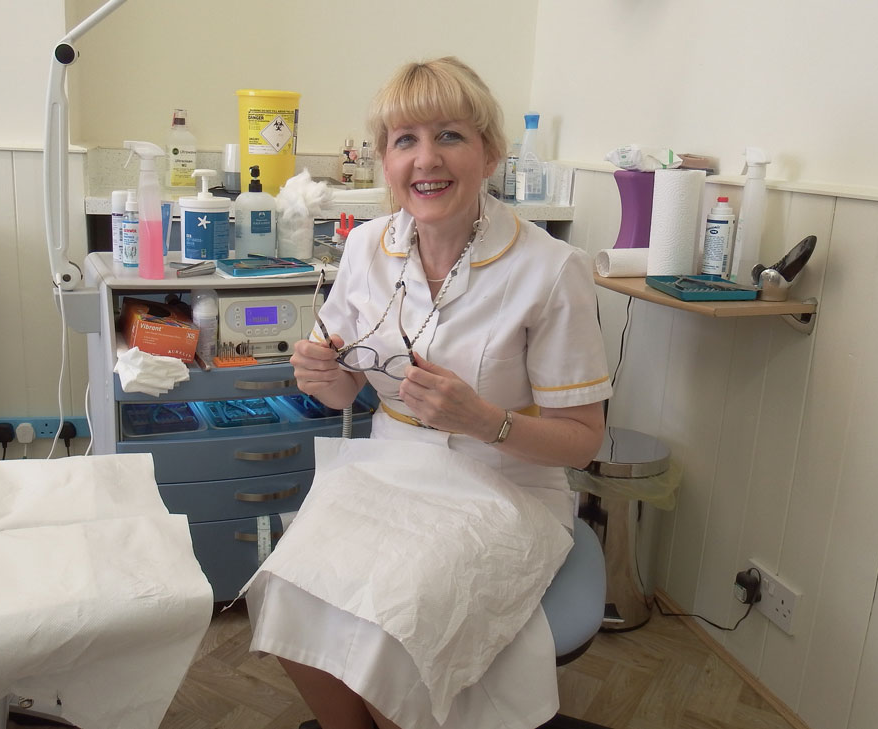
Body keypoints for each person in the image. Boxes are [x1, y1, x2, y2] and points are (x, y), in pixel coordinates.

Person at [245, 56, 612, 729]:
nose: (425, 159)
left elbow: (585, 442)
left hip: (504, 486)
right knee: (283, 587)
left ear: (491, 152)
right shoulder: (364, 249)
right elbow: (345, 384)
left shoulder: (552, 270)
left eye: (449, 135)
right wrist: (327, 379)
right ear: (384, 159)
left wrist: (485, 421)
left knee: (399, 626)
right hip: (388, 470)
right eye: (404, 140)